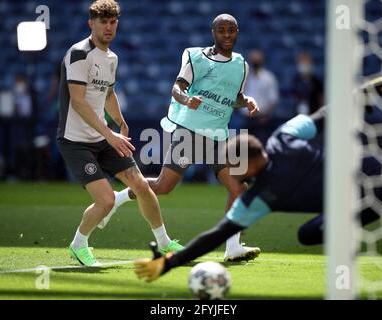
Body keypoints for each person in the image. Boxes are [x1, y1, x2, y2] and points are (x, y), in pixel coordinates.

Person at [134, 81, 382, 282]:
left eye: (234, 166)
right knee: (307, 234)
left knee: (311, 234)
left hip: (369, 192)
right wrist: (361, 94)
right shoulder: (284, 136)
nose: (230, 171)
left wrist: (169, 263)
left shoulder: (258, 198)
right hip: (380, 169)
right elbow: (323, 116)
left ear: (246, 163)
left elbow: (215, 236)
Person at [98, 13, 262, 262]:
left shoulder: (241, 64)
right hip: (190, 131)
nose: (227, 35)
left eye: (231, 30)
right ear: (213, 33)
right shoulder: (196, 57)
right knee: (164, 186)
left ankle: (232, 247)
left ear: (237, 32)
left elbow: (234, 97)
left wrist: (247, 101)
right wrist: (187, 99)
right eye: (222, 30)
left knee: (238, 187)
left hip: (219, 135)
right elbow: (177, 87)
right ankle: (117, 199)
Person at [57, 0, 183, 267]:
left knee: (142, 186)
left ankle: (164, 243)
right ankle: (79, 244)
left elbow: (108, 93)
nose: (109, 27)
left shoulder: (112, 58)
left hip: (103, 137)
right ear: (91, 23)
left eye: (113, 22)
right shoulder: (79, 53)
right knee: (105, 201)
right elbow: (78, 102)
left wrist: (121, 122)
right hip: (75, 141)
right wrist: (110, 133)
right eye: (103, 22)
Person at [238, 49, 280, 143]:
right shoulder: (245, 77)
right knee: (244, 148)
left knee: (260, 145)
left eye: (257, 60)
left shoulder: (269, 78)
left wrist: (267, 116)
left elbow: (273, 99)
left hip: (261, 119)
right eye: (253, 60)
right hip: (246, 118)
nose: (254, 63)